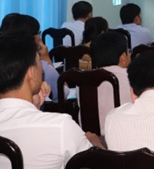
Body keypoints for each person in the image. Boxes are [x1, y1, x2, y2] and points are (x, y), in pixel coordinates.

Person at [0, 30, 103, 169]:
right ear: (32, 73)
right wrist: (95, 144)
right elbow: (96, 164)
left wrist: (35, 107)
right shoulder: (60, 127)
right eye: (39, 63)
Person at [3, 14, 68, 101]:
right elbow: (63, 92)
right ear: (34, 38)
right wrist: (46, 58)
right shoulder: (42, 67)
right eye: (39, 33)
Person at [89, 31, 133, 135]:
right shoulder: (132, 80)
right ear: (123, 58)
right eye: (128, 51)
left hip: (91, 140)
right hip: (123, 138)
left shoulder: (82, 81)